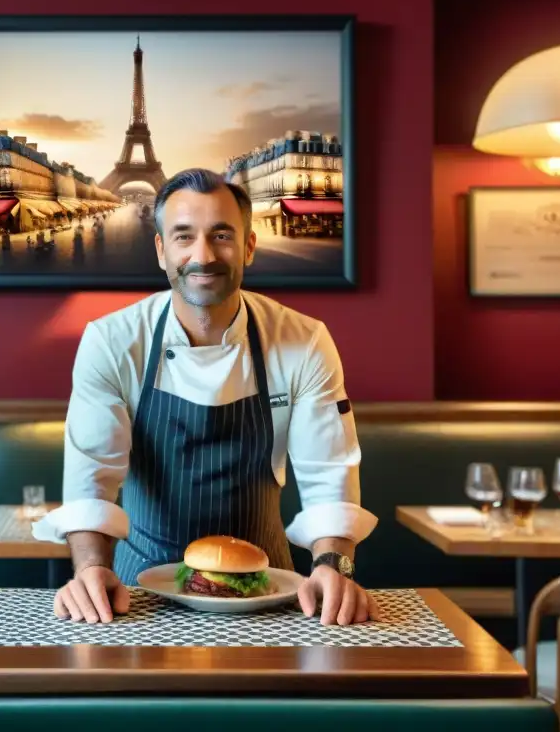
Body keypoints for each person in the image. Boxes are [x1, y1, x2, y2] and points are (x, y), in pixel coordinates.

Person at [32, 168, 378, 626]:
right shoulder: (113, 341)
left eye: (221, 235)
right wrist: (92, 569)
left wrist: (333, 568)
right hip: (138, 599)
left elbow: (328, 472)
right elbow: (92, 474)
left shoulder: (305, 341)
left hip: (269, 594)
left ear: (249, 246)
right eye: (183, 236)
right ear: (161, 251)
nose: (203, 255)